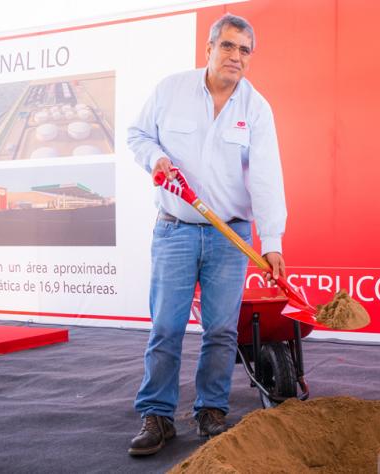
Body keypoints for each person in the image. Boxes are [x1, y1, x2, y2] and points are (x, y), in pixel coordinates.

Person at [127, 13, 287, 456]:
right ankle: (157, 415)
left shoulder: (256, 107)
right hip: (175, 229)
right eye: (229, 46)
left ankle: (211, 410)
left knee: (220, 330)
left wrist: (272, 241)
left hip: (229, 236)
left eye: (244, 51)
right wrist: (155, 158)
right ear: (210, 48)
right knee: (166, 327)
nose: (236, 57)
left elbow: (267, 178)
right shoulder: (170, 90)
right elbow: (138, 134)